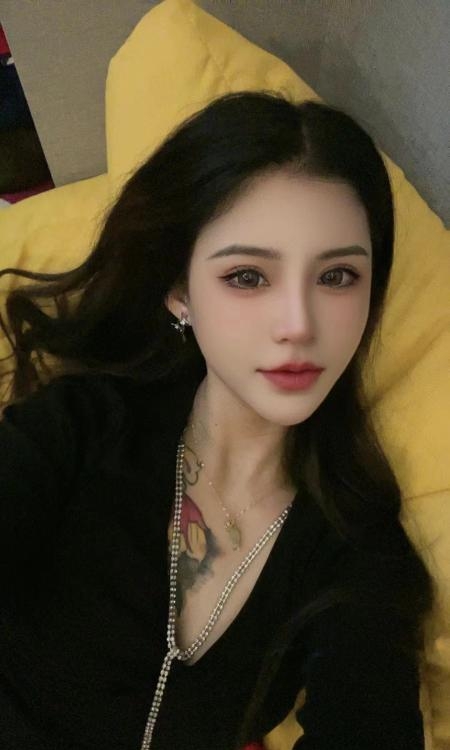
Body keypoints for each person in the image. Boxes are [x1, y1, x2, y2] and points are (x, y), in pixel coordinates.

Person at [0, 90, 435, 750]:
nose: (299, 325)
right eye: (247, 277)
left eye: (338, 276)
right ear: (180, 291)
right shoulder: (78, 429)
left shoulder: (358, 550)